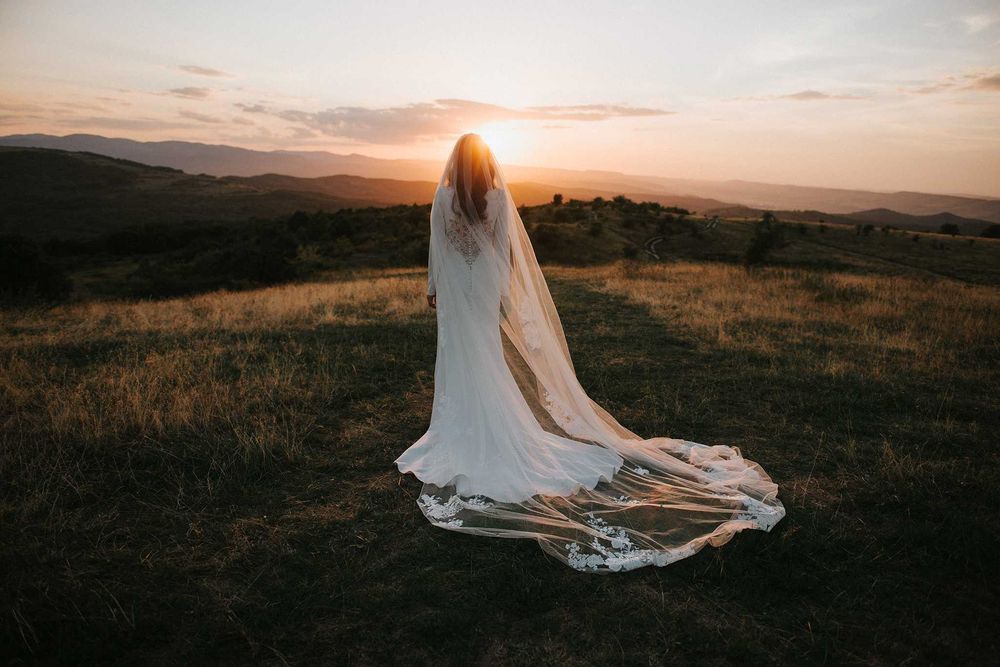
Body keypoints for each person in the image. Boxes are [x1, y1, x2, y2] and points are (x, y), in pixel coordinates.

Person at [395, 133, 785, 573]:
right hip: (484, 284)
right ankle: (485, 423)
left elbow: (438, 246)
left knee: (461, 357)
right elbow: (505, 249)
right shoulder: (498, 198)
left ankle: (466, 426)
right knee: (486, 355)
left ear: (455, 162)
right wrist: (501, 292)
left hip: (455, 287)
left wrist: (433, 287)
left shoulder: (442, 196)